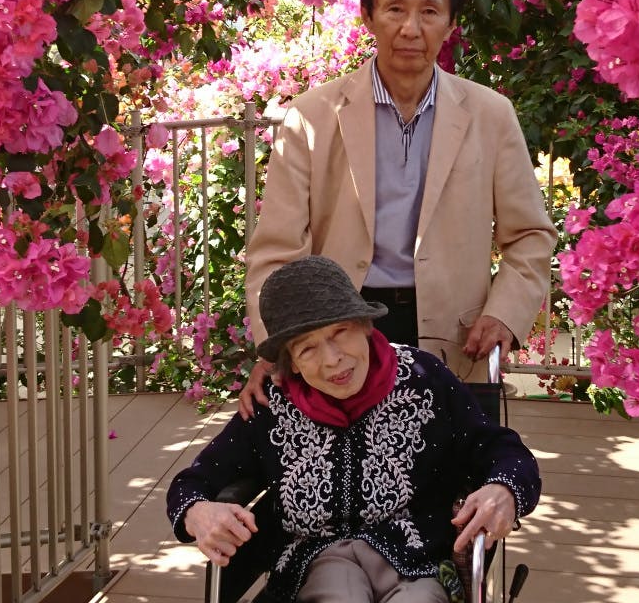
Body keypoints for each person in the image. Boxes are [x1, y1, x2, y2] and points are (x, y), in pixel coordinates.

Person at [241, 0, 557, 416]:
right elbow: (276, 251)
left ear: (451, 23)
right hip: (338, 334)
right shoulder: (312, 116)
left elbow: (530, 234)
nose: (411, 28)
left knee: (452, 462)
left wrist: (504, 313)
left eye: (429, 11)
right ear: (367, 16)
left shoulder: (490, 115)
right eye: (394, 9)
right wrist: (277, 344)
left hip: (455, 337)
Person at [167, 256, 542, 603]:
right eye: (307, 349)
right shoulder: (272, 404)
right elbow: (192, 483)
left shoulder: (424, 379)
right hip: (314, 566)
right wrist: (199, 513)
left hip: (417, 563)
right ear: (291, 363)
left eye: (340, 332)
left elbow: (505, 452)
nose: (333, 359)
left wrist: (504, 489)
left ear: (365, 325)